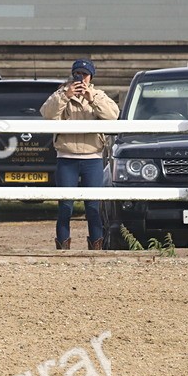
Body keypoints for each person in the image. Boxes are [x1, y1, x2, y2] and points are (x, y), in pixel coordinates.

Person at [40, 59, 120, 250]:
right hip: (66, 157)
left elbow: (113, 116)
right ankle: (63, 248)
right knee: (65, 207)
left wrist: (91, 98)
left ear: (91, 77)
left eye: (84, 74)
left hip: (92, 157)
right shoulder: (61, 94)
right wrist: (65, 96)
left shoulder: (98, 95)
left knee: (93, 207)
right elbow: (47, 115)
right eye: (77, 74)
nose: (81, 78)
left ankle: (96, 247)